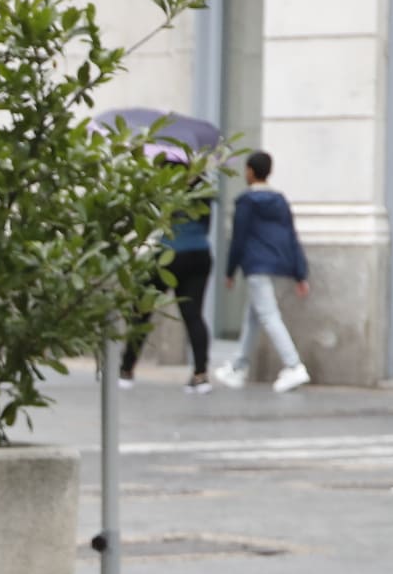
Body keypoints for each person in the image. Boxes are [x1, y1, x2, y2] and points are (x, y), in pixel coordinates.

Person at [216, 150, 312, 393]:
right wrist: (300, 273)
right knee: (253, 316)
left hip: (257, 266)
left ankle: (293, 366)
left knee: (268, 315)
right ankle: (239, 366)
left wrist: (229, 270)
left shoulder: (246, 202)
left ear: (250, 171)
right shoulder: (280, 201)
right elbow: (292, 237)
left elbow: (238, 239)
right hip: (280, 266)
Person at [124, 175, 216, 393]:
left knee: (142, 310)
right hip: (199, 252)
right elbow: (206, 224)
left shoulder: (163, 187)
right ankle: (200, 374)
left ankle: (126, 369)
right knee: (193, 315)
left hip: (168, 253)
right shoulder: (204, 191)